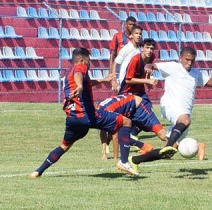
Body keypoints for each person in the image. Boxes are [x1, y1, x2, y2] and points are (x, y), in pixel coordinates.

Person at [28, 48, 170, 177]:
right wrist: (79, 86)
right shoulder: (80, 67)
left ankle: (38, 171)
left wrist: (102, 80)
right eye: (89, 60)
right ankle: (124, 161)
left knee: (64, 146)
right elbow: (79, 74)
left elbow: (84, 81)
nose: (89, 64)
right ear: (83, 60)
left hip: (72, 118)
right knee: (126, 122)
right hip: (87, 115)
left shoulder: (68, 73)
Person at [127, 47, 212, 173]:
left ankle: (134, 160)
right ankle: (168, 146)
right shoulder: (173, 67)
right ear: (180, 58)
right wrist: (149, 67)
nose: (189, 63)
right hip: (170, 105)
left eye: (192, 61)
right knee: (186, 120)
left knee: (168, 152)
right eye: (187, 60)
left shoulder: (195, 73)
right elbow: (152, 65)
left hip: (183, 113)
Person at [100, 16, 137, 158]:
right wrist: (112, 75)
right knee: (113, 108)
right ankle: (108, 142)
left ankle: (114, 138)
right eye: (129, 24)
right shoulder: (118, 37)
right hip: (119, 78)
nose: (131, 26)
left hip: (130, 79)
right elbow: (113, 56)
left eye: (133, 24)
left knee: (128, 110)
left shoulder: (136, 40)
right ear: (125, 25)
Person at [98, 94, 168, 160]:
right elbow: (103, 131)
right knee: (119, 134)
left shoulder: (106, 112)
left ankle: (175, 140)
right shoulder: (99, 111)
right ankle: (145, 147)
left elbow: (115, 136)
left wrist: (115, 159)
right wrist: (104, 154)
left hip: (139, 107)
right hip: (129, 112)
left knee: (162, 136)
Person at [118, 38, 158, 140]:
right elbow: (128, 80)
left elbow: (146, 71)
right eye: (147, 47)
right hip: (127, 91)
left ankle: (133, 132)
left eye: (152, 48)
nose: (149, 50)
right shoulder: (135, 59)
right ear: (142, 48)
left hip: (140, 91)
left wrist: (148, 78)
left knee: (149, 112)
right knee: (122, 117)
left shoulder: (151, 57)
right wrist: (147, 81)